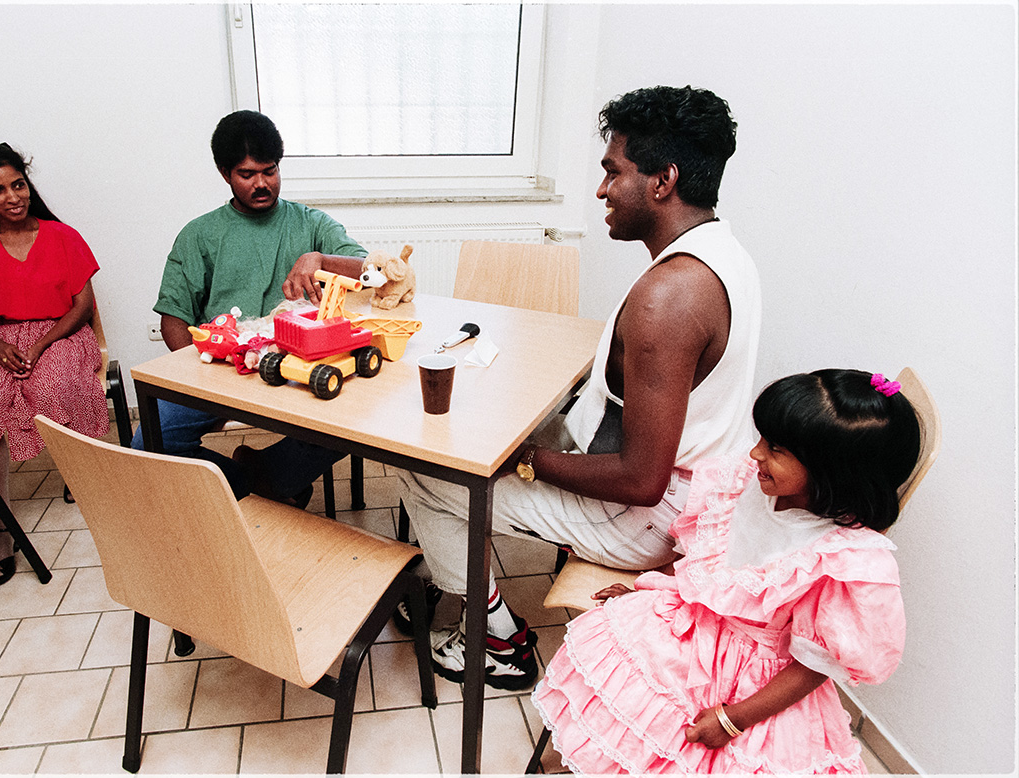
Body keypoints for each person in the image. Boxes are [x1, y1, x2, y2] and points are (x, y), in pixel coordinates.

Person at [398, 85, 762, 690]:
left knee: (425, 470)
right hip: (695, 489)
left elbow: (641, 480)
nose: (601, 191)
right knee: (483, 424)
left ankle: (495, 639)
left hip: (648, 517)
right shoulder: (724, 254)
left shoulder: (669, 298)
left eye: (613, 172)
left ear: (663, 181)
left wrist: (525, 460)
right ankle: (452, 570)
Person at [531, 369, 921, 774]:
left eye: (775, 449)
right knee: (623, 684)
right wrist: (650, 594)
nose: (755, 454)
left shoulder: (842, 559)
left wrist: (734, 719)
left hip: (755, 681)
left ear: (834, 471)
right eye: (762, 439)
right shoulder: (747, 484)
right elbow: (707, 564)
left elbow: (812, 667)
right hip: (693, 628)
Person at [131, 110, 369, 505]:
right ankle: (261, 481)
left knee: (359, 416)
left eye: (269, 171)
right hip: (224, 368)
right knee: (149, 444)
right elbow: (174, 320)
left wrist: (321, 259)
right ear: (225, 173)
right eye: (247, 174)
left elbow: (372, 271)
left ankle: (272, 477)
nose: (261, 183)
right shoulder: (199, 235)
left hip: (298, 365)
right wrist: (204, 370)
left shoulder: (310, 223)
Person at [0, 142, 109, 586]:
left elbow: (82, 307)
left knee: (54, 385)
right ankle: (2, 529)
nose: (12, 197)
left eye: (18, 185)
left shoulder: (63, 236)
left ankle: (79, 474)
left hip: (61, 332)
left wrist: (41, 343)